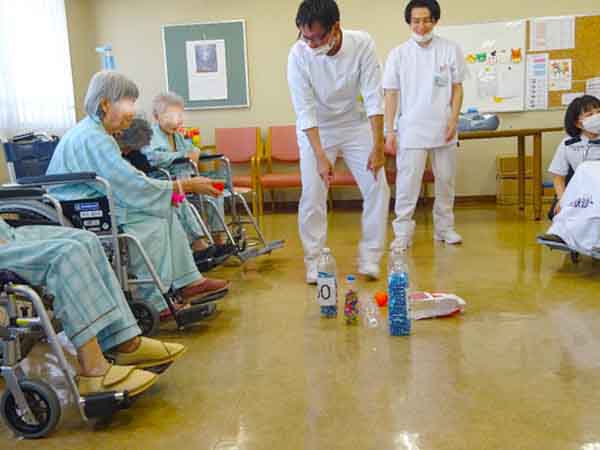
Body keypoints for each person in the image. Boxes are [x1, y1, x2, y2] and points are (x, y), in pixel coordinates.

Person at [46, 71, 229, 318]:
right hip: (81, 206)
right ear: (105, 104)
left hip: (97, 198)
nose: (133, 112)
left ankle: (187, 282)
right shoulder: (94, 138)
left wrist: (178, 188)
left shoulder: (97, 133)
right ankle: (153, 300)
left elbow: (128, 180)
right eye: (129, 103)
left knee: (166, 211)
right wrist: (186, 186)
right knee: (150, 223)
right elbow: (131, 185)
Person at [0, 219, 185, 396]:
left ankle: (123, 340)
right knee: (66, 254)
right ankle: (93, 367)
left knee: (88, 240)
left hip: (8, 233)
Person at [287, 0, 390, 283]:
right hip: (316, 130)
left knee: (377, 186)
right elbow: (304, 110)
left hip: (355, 126)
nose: (310, 44)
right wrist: (320, 156)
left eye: (317, 37)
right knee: (312, 193)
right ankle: (314, 259)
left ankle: (370, 256)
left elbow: (373, 98)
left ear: (336, 28)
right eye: (304, 36)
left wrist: (378, 147)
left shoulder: (362, 43)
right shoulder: (298, 54)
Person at [383, 0, 465, 250]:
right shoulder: (398, 54)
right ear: (409, 22)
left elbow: (457, 88)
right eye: (416, 21)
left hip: (444, 127)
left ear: (435, 20)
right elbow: (391, 93)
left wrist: (453, 120)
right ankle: (403, 233)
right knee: (408, 183)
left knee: (446, 180)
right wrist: (389, 131)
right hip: (411, 129)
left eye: (426, 20)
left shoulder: (450, 49)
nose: (421, 25)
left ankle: (445, 228)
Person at [114, 117, 219, 265]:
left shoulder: (135, 154)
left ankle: (198, 245)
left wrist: (168, 191)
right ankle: (197, 248)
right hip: (131, 200)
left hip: (144, 193)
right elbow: (134, 185)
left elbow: (147, 176)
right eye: (129, 148)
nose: (130, 151)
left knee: (178, 199)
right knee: (173, 200)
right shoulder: (114, 157)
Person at [144, 92, 230, 251]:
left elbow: (193, 150)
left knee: (215, 190)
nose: (177, 120)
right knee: (180, 200)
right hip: (168, 185)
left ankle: (219, 239)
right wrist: (184, 155)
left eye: (179, 116)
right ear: (157, 116)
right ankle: (199, 245)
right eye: (170, 116)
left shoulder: (177, 136)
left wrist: (195, 152)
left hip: (189, 182)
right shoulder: (150, 136)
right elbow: (153, 158)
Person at [540, 95, 600, 254]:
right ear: (577, 122)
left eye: (598, 112)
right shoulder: (568, 144)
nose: (596, 117)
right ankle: (560, 235)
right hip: (578, 193)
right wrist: (562, 199)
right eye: (589, 115)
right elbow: (558, 176)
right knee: (565, 208)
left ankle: (596, 243)